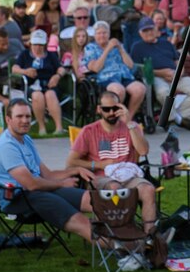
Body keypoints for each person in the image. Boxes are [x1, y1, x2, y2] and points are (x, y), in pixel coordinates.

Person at [0, 99, 97, 244]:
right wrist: (62, 184)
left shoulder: (26, 139)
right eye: (19, 116)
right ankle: (124, 250)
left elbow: (48, 175)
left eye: (28, 116)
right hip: (17, 198)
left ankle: (125, 234)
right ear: (8, 119)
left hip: (38, 191)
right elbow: (31, 184)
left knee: (95, 201)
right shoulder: (6, 146)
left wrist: (76, 170)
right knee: (82, 222)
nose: (25, 120)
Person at [66, 91, 158, 231]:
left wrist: (129, 124)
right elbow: (71, 162)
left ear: (121, 108)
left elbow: (143, 151)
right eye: (106, 109)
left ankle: (150, 238)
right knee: (115, 189)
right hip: (101, 177)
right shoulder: (89, 131)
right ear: (99, 109)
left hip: (129, 175)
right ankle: (120, 236)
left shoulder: (132, 127)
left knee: (148, 189)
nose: (111, 112)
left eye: (114, 108)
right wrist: (98, 164)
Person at [129, 16, 190, 130]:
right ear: (140, 33)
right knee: (163, 93)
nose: (148, 32)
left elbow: (178, 61)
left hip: (176, 75)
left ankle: (176, 117)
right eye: (145, 31)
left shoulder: (166, 43)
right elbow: (138, 69)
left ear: (156, 30)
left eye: (150, 29)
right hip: (156, 77)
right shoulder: (137, 47)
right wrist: (161, 73)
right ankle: (178, 119)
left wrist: (179, 73)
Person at [83, 21, 146, 120]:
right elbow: (96, 68)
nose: (102, 35)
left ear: (109, 34)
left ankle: (127, 118)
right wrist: (107, 49)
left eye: (104, 33)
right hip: (106, 78)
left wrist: (120, 49)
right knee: (118, 91)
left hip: (124, 75)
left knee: (140, 89)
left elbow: (130, 65)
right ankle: (114, 119)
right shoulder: (90, 48)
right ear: (94, 35)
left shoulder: (118, 45)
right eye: (99, 33)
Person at [12, 30, 67, 136]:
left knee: (50, 94)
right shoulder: (24, 55)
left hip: (49, 84)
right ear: (31, 44)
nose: (37, 47)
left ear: (45, 44)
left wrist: (57, 76)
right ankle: (42, 128)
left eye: (40, 45)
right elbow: (15, 68)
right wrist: (26, 71)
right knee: (37, 96)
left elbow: (61, 68)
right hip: (31, 85)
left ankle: (59, 127)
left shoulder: (51, 55)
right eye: (35, 44)